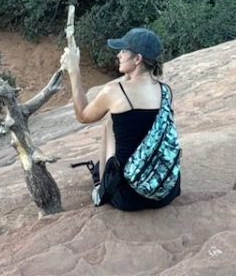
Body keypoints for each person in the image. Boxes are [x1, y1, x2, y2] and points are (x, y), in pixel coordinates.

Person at [61, 27, 180, 212]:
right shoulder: (166, 91)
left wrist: (74, 70)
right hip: (165, 193)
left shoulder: (115, 92)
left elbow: (83, 116)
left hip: (127, 197)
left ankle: (101, 191)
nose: (119, 55)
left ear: (137, 59)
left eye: (124, 51)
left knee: (109, 123)